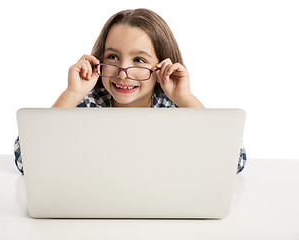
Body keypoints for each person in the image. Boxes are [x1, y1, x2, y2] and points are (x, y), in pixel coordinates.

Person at [14, 8, 247, 174]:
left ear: (161, 66)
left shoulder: (175, 108)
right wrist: (72, 94)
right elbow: (26, 162)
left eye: (139, 59)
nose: (122, 72)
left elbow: (234, 163)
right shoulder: (87, 104)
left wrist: (185, 98)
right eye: (113, 57)